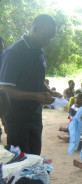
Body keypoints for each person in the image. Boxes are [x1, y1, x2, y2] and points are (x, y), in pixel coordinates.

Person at [0, 14, 62, 155]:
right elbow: (5, 88)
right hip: (17, 116)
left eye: (51, 37)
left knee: (34, 155)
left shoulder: (38, 51)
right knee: (20, 158)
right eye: (46, 36)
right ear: (35, 28)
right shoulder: (14, 53)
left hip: (34, 114)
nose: (48, 41)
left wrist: (49, 92)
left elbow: (37, 79)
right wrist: (35, 96)